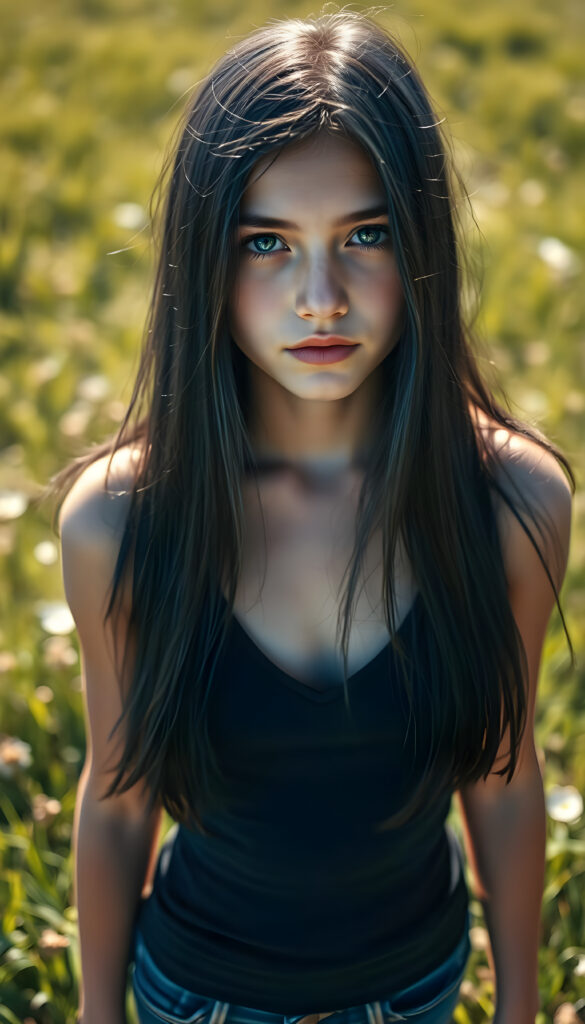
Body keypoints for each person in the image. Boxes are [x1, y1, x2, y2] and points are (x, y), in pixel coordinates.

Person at [46, 10, 574, 1024]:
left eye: (365, 236)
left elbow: (505, 777)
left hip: (413, 993)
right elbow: (117, 800)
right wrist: (98, 1014)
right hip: (197, 997)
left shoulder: (515, 502)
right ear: (205, 262)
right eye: (267, 244)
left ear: (421, 243)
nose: (320, 297)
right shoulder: (117, 524)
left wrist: (519, 1007)